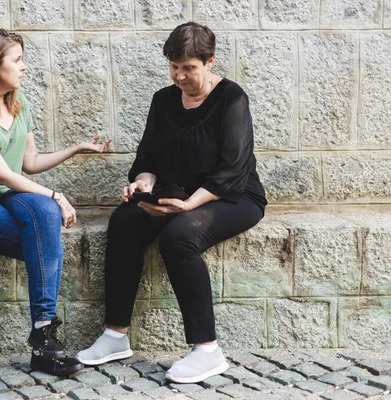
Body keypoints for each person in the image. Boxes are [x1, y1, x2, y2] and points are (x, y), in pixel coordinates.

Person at [76, 22, 267, 383]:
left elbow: (233, 170)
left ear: (210, 61)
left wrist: (189, 206)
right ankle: (115, 335)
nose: (179, 76)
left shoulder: (232, 98)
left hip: (231, 196)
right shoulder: (162, 100)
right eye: (174, 67)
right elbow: (147, 159)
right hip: (175, 193)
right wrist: (141, 184)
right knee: (124, 220)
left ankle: (206, 350)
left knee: (178, 236)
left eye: (189, 68)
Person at [0, 28, 110, 376]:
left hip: (7, 197)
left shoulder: (19, 105)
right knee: (47, 228)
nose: (24, 67)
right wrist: (57, 194)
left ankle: (42, 334)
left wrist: (77, 148)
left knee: (46, 216)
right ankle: (46, 343)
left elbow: (28, 164)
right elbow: (1, 173)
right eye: (17, 60)